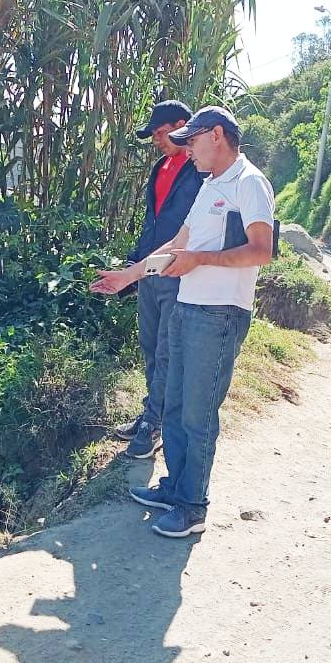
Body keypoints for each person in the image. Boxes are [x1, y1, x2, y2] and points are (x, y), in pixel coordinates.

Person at [92, 106, 275, 538]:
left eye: (191, 140)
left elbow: (261, 250)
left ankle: (192, 507)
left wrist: (199, 261)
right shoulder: (211, 185)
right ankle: (174, 488)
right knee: (173, 406)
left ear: (217, 135)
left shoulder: (249, 182)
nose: (187, 149)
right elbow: (178, 243)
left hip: (219, 313)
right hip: (187, 306)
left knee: (197, 413)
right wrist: (129, 276)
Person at [110, 100, 202, 460]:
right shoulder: (160, 167)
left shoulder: (200, 170)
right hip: (149, 273)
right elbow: (153, 223)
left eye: (161, 133)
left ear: (181, 126)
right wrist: (133, 266)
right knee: (150, 346)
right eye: (154, 137)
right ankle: (152, 412)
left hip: (177, 274)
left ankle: (154, 424)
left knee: (166, 350)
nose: (157, 141)